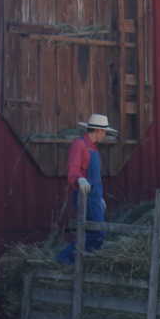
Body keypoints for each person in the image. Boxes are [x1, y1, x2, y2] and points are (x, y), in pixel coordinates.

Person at [56, 113, 115, 264]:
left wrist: (99, 198)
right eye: (105, 132)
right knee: (97, 234)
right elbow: (72, 171)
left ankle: (79, 263)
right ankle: (63, 260)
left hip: (94, 198)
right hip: (84, 197)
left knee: (94, 234)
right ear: (98, 131)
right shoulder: (79, 144)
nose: (105, 135)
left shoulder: (94, 149)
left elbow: (95, 179)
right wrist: (79, 179)